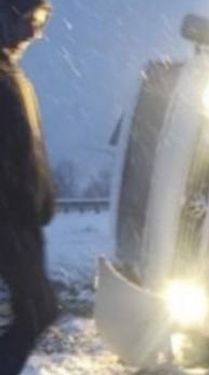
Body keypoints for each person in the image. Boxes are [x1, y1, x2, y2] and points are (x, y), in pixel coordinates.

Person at [0, 0, 58, 373]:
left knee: (39, 309)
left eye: (41, 20)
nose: (36, 31)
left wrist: (43, 198)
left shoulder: (11, 75)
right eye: (30, 19)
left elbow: (28, 148)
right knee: (38, 309)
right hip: (9, 219)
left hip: (23, 218)